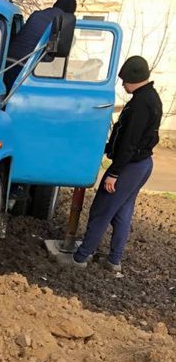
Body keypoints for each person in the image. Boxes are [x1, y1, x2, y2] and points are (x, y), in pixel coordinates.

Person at [61, 56, 162, 277]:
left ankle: (81, 257)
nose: (123, 85)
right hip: (142, 164)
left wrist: (114, 172)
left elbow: (129, 141)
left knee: (102, 210)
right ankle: (114, 260)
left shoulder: (140, 104)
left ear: (134, 78)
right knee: (122, 212)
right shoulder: (150, 97)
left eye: (125, 80)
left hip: (129, 166)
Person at [5, 0, 77, 90]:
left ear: (56, 4)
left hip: (6, 63)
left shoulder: (36, 15)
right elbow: (58, 61)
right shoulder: (62, 24)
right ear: (70, 12)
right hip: (25, 70)